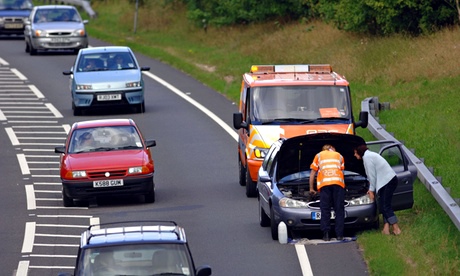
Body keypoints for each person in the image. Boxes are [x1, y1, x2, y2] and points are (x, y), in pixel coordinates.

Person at [354, 145, 402, 235]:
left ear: (359, 152)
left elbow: (372, 176)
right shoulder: (370, 155)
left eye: (355, 153)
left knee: (385, 206)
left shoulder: (367, 158)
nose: (354, 155)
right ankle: (386, 229)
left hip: (388, 181)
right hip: (388, 180)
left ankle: (396, 228)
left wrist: (371, 190)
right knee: (384, 204)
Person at [309, 144, 345, 241]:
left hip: (325, 186)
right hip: (338, 185)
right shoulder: (339, 155)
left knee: (325, 210)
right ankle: (339, 235)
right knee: (339, 210)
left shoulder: (319, 156)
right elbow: (341, 170)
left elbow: (313, 173)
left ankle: (326, 235)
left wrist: (311, 188)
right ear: (331, 148)